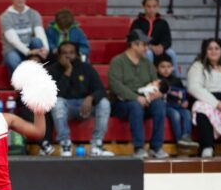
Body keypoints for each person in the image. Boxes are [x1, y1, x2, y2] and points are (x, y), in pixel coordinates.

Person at [108, 30, 168, 159]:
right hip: (122, 103)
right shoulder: (117, 61)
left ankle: (156, 147)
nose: (147, 48)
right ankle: (138, 147)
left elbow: (154, 83)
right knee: (135, 105)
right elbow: (115, 85)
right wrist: (136, 97)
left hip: (145, 100)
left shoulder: (147, 63)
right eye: (144, 45)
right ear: (134, 45)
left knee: (159, 105)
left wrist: (156, 94)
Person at [49, 41, 113, 157]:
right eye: (64, 53)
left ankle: (96, 145)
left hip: (86, 106)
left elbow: (101, 90)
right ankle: (65, 143)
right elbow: (54, 94)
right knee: (56, 102)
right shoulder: (52, 70)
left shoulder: (86, 68)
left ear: (77, 55)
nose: (68, 56)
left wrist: (90, 98)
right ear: (59, 56)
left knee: (104, 103)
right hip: (66, 108)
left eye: (71, 53)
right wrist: (67, 71)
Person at [0, 0, 49, 74]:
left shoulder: (34, 13)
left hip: (31, 48)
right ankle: (22, 83)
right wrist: (28, 52)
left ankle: (38, 77)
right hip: (14, 50)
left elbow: (40, 33)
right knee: (12, 58)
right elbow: (13, 40)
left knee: (37, 41)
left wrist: (45, 49)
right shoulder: (5, 17)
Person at [155, 53, 198, 151]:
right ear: (156, 68)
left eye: (169, 66)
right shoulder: (156, 81)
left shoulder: (176, 80)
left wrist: (186, 101)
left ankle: (186, 136)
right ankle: (180, 140)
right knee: (175, 115)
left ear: (173, 68)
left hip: (178, 105)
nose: (166, 69)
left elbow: (183, 93)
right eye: (162, 67)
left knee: (187, 113)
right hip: (166, 106)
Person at [130, 0, 177, 71]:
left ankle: (176, 80)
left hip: (159, 49)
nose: (151, 9)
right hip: (143, 48)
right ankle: (150, 79)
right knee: (148, 53)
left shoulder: (163, 23)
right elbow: (134, 38)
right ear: (144, 7)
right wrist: (150, 46)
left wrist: (162, 46)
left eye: (154, 6)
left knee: (172, 53)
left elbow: (167, 40)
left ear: (158, 7)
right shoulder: (137, 22)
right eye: (148, 6)